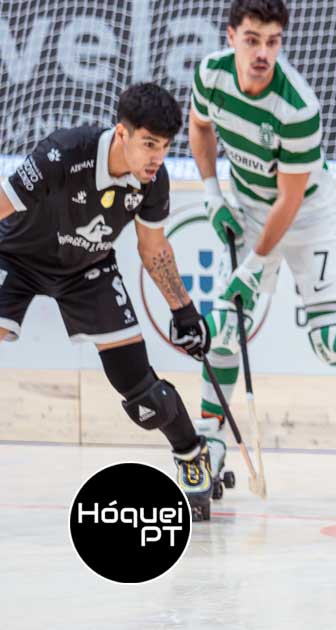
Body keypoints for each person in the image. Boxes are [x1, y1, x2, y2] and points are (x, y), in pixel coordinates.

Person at [0, 83, 215, 519]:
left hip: (87, 271)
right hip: (16, 258)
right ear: (122, 134)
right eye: (149, 144)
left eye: (165, 147)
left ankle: (192, 455)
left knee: (143, 394)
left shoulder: (153, 181)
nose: (157, 157)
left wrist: (184, 310)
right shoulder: (63, 153)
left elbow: (153, 248)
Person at [188, 0, 336, 492]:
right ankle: (209, 440)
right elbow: (199, 127)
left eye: (272, 42)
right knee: (223, 328)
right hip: (246, 206)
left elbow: (288, 201)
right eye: (252, 39)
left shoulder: (297, 106)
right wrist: (210, 192)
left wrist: (256, 262)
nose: (263, 52)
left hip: (308, 215)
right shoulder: (211, 75)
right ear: (231, 37)